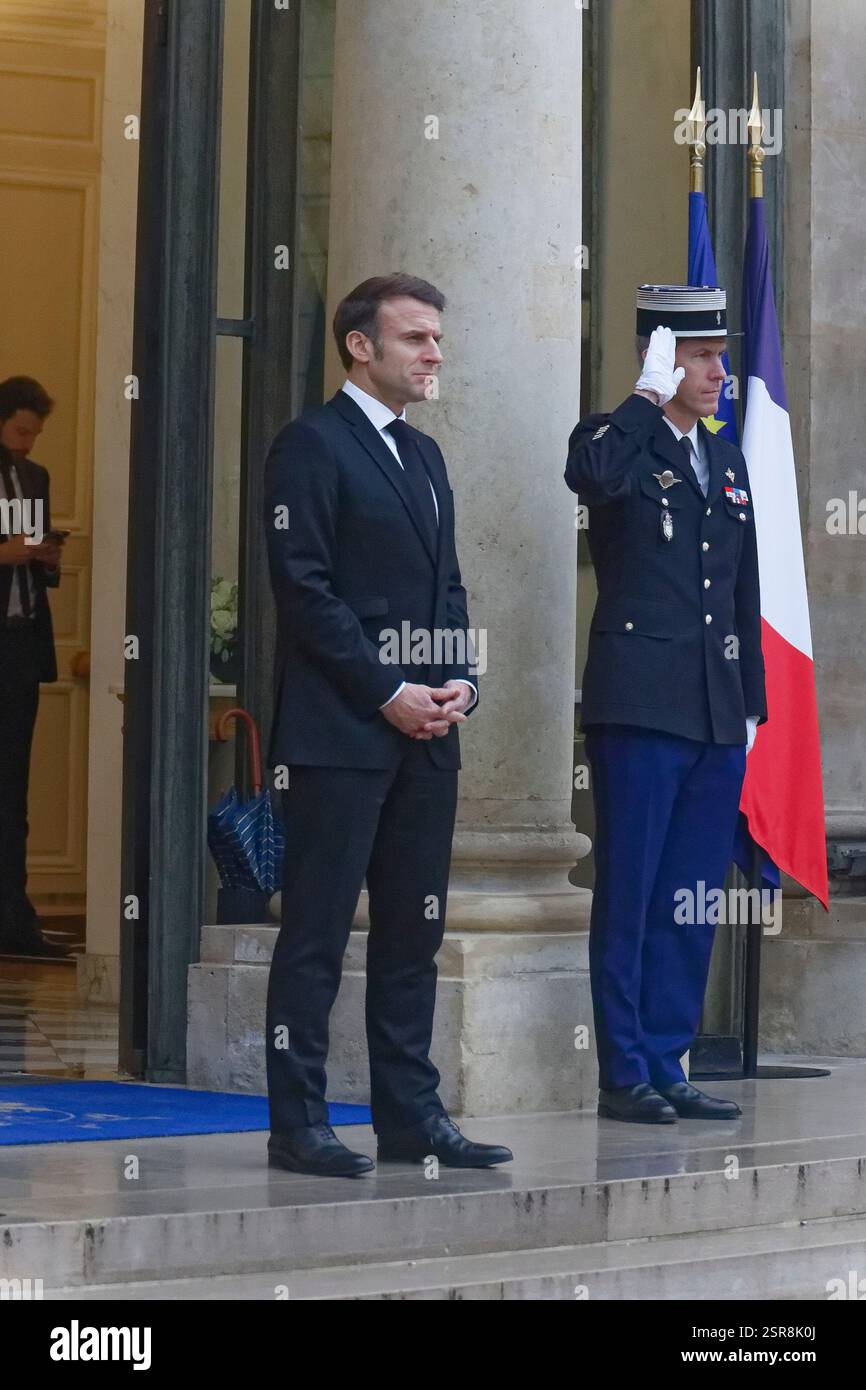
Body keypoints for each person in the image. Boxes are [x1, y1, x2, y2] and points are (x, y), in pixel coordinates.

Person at [263, 273, 512, 1175]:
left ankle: (411, 1116)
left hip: (428, 737)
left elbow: (447, 590)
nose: (434, 354)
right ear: (360, 346)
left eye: (437, 338)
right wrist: (386, 692)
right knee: (317, 938)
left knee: (414, 935)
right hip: (339, 737)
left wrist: (459, 686)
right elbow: (306, 592)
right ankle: (298, 1124)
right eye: (416, 338)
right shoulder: (309, 446)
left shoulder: (430, 457)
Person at [564, 285, 766, 1124]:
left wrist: (750, 705)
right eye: (702, 355)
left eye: (721, 354)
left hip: (715, 711)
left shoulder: (725, 459)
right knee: (635, 890)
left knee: (691, 896)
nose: (720, 371)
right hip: (641, 707)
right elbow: (591, 476)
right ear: (662, 357)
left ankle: (669, 1057)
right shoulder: (619, 443)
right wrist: (645, 397)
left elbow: (741, 588)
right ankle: (623, 1071)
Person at [0, 375, 67, 960]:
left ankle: (14, 919)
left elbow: (39, 555)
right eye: (20, 430)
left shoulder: (36, 477)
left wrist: (45, 556)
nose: (27, 442)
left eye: (34, 433)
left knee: (14, 787)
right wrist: (10, 551)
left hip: (21, 646)